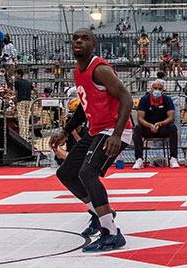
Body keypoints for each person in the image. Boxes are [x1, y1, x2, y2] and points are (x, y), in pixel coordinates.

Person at [49, 29, 133, 252]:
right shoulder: (79, 70)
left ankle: (111, 232)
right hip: (97, 130)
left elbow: (126, 98)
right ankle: (99, 213)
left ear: (93, 45)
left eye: (84, 38)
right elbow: (83, 106)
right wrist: (65, 132)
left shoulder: (101, 69)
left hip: (115, 130)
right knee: (65, 173)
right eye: (75, 38)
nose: (78, 40)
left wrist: (116, 134)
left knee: (88, 172)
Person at [132, 79, 179, 169]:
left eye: (159, 88)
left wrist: (160, 124)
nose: (157, 90)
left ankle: (173, 158)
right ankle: (139, 159)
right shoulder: (144, 100)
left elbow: (171, 118)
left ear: (162, 90)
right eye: (155, 88)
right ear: (151, 89)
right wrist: (150, 125)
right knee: (137, 128)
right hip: (148, 129)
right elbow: (140, 118)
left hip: (162, 128)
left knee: (172, 127)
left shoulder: (167, 100)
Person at [14, 68, 36, 140]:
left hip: (21, 101)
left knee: (22, 119)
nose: (15, 76)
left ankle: (22, 137)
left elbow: (16, 93)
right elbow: (35, 89)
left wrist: (16, 103)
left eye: (16, 74)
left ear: (19, 75)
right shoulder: (28, 82)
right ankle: (26, 136)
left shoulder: (17, 82)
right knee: (26, 119)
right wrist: (38, 99)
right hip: (28, 101)